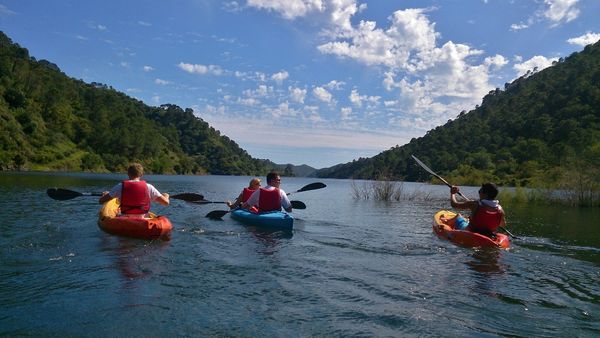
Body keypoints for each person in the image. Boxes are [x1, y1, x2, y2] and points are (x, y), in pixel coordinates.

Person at [98, 163, 170, 216]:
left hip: (125, 219)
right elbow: (166, 203)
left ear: (128, 174)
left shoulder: (120, 186)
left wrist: (106, 194)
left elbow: (101, 201)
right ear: (141, 175)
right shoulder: (149, 187)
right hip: (142, 219)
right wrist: (166, 196)